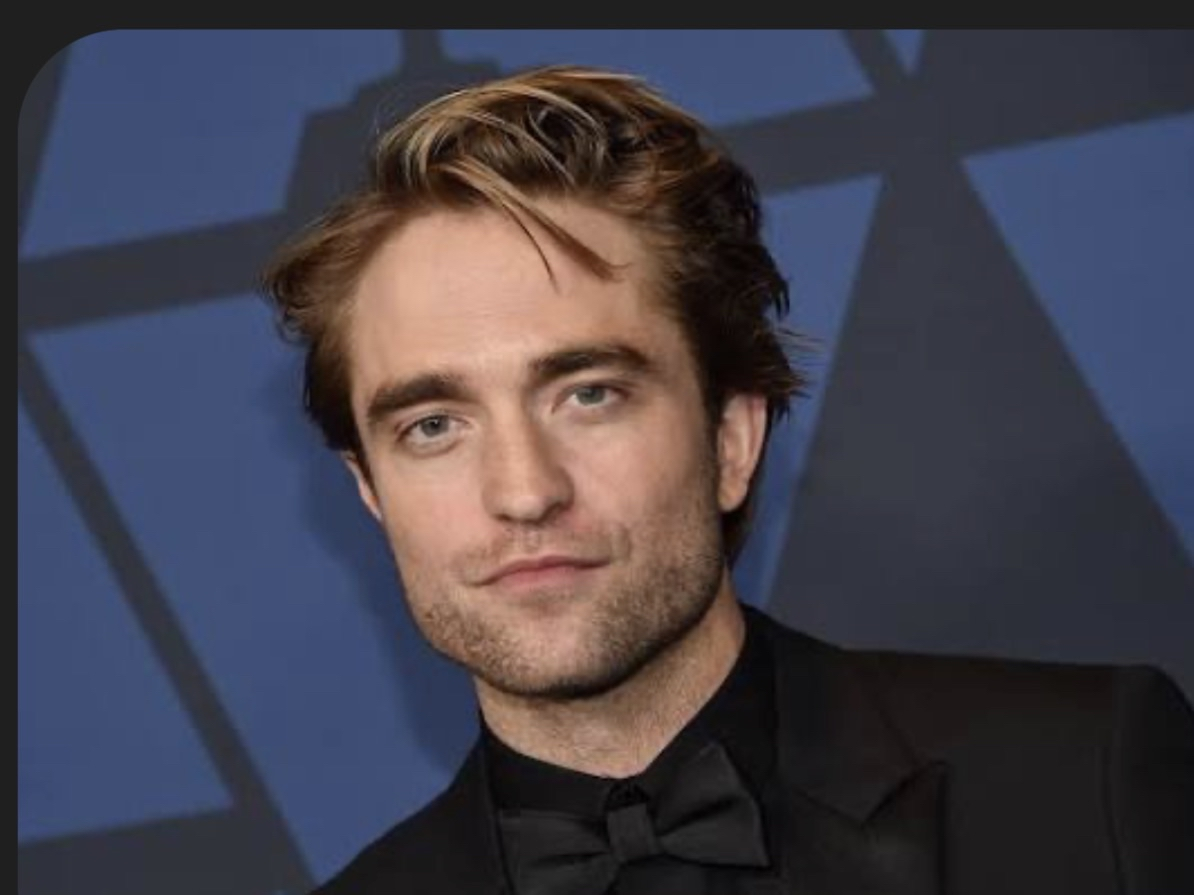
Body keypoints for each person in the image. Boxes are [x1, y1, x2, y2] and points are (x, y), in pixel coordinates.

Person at [261, 64, 1194, 895]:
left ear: (733, 438)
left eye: (589, 394)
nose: (523, 490)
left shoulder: (1084, 781)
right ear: (370, 491)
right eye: (434, 426)